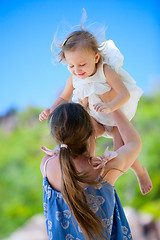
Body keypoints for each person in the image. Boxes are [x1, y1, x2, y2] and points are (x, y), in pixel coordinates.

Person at [39, 29, 152, 195]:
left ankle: (140, 171)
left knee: (119, 151)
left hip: (114, 115)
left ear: (96, 57)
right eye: (71, 66)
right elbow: (64, 98)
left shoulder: (105, 71)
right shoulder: (73, 78)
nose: (77, 70)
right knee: (84, 135)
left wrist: (111, 106)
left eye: (82, 64)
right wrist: (51, 109)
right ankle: (89, 163)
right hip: (95, 117)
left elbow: (124, 94)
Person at [40, 102, 142, 240]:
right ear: (92, 135)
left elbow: (64, 147)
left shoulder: (46, 165)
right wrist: (114, 107)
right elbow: (133, 144)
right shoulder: (102, 170)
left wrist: (87, 133)